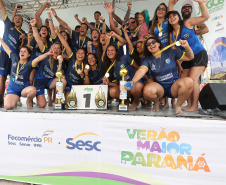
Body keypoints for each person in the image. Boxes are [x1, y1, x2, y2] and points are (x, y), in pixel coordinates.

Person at [125, 37, 194, 114]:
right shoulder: (148, 59)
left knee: (189, 81)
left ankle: (178, 105)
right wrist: (133, 81)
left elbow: (190, 57)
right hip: (159, 88)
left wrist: (186, 46)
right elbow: (141, 70)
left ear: (158, 44)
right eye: (148, 44)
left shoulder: (171, 52)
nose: (151, 44)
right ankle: (156, 102)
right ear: (147, 48)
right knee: (147, 91)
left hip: (173, 86)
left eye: (153, 42)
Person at [167, 0, 209, 111]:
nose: (172, 18)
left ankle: (194, 106)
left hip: (199, 54)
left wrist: (200, 2)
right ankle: (189, 104)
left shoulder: (187, 23)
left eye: (174, 16)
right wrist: (179, 66)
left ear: (179, 17)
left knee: (193, 79)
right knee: (184, 80)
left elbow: (205, 16)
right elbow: (174, 52)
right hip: (187, 58)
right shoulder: (172, 34)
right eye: (170, 17)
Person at [0, 0, 26, 104]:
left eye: (19, 18)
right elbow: (2, 9)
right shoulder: (8, 24)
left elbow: (22, 49)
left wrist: (23, 41)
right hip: (3, 54)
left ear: (22, 22)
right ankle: (1, 99)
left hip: (14, 57)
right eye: (15, 18)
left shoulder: (23, 33)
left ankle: (13, 99)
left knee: (13, 78)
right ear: (13, 20)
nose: (17, 19)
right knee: (2, 77)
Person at [102, 44, 143, 111]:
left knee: (137, 86)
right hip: (125, 88)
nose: (110, 52)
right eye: (108, 50)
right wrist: (108, 83)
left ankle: (135, 101)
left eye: (112, 50)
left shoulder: (124, 58)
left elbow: (139, 68)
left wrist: (148, 79)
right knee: (112, 91)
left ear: (116, 52)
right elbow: (117, 85)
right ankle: (125, 100)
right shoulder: (109, 66)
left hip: (134, 84)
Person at [0, 38, 37, 110]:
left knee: (33, 90)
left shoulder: (29, 64)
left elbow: (38, 59)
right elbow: (7, 48)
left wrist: (48, 53)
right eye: (21, 51)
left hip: (24, 90)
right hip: (13, 90)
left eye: (24, 51)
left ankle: (28, 101)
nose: (22, 52)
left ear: (29, 55)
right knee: (7, 106)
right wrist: (1, 40)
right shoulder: (14, 58)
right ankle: (15, 100)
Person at [54, 26, 86, 100]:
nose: (80, 55)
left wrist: (84, 75)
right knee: (68, 102)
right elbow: (65, 44)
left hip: (79, 87)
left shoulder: (85, 64)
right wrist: (58, 33)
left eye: (82, 53)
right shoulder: (72, 58)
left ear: (85, 55)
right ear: (75, 54)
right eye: (78, 53)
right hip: (68, 85)